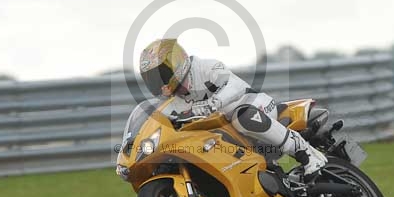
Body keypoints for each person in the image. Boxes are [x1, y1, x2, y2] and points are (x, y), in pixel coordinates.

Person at [139, 38, 328, 179]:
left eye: (161, 74)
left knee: (241, 117)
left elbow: (235, 86)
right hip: (228, 134)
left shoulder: (206, 68)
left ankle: (308, 155)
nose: (159, 82)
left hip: (255, 106)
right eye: (152, 78)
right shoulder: (174, 102)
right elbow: (163, 122)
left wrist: (213, 103)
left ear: (176, 61)